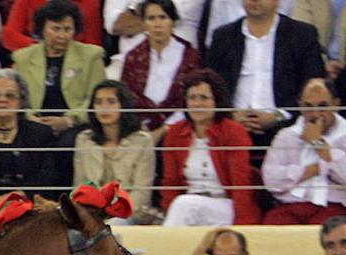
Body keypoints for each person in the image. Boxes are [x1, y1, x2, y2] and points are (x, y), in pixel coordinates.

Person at [205, 0, 324, 151]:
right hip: (231, 129)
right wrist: (230, 114)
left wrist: (277, 116)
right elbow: (210, 87)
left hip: (287, 129)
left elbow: (315, 89)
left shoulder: (302, 35)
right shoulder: (223, 36)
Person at [160, 69, 262, 226]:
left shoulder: (233, 131)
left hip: (225, 205)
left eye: (204, 98)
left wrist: (242, 225)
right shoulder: (175, 132)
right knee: (184, 205)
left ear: (217, 101)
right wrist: (168, 210)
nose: (197, 104)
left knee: (185, 205)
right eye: (192, 98)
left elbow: (241, 183)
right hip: (186, 207)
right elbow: (170, 182)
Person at [0, 68, 60, 211]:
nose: (2, 100)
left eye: (10, 95)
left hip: (28, 204)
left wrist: (20, 195)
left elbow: (47, 176)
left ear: (21, 101)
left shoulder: (41, 134)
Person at [11, 0, 106, 136]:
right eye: (56, 29)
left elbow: (97, 98)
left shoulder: (91, 56)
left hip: (76, 125)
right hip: (33, 124)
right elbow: (16, 98)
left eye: (67, 29)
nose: (62, 35)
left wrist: (68, 120)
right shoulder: (23, 58)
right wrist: (30, 118)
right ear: (42, 29)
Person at [260, 78, 346, 224]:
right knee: (271, 227)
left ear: (336, 105)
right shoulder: (286, 135)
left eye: (322, 106)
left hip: (333, 205)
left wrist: (318, 143)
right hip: (290, 205)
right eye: (308, 106)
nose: (315, 114)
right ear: (300, 106)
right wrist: (313, 170)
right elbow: (271, 179)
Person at [73, 80, 155, 223]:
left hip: (129, 212)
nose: (104, 108)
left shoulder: (142, 141)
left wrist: (112, 214)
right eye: (98, 102)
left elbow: (142, 192)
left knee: (114, 224)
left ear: (124, 105)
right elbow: (79, 186)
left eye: (111, 102)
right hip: (92, 214)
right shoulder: (84, 140)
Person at [119, 0, 200, 141]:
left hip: (180, 127)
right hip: (138, 129)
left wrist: (164, 130)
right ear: (143, 24)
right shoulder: (133, 57)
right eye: (151, 18)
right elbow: (127, 99)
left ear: (173, 22)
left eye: (163, 17)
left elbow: (191, 101)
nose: (157, 25)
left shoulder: (189, 56)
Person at [1, 0, 105, 52]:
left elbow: (93, 47)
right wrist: (43, 49)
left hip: (73, 65)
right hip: (31, 58)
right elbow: (9, 36)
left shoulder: (89, 3)